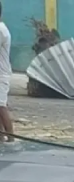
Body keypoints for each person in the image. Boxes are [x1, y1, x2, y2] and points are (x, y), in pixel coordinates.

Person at [0, 2, 13, 142]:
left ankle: (11, 138)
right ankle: (1, 138)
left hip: (1, 75)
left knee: (1, 107)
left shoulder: (0, 29)